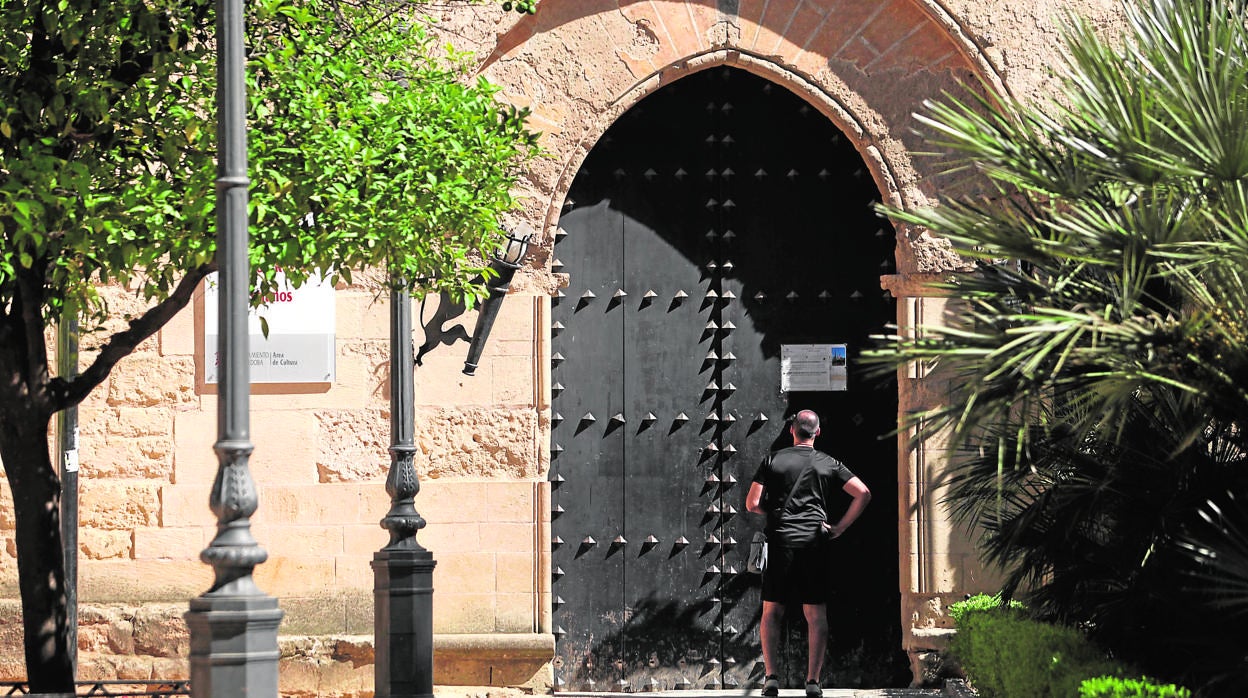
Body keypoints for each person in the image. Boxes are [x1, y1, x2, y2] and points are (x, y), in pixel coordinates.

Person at [744, 409, 872, 698]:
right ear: (817, 433)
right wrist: (839, 527)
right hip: (815, 543)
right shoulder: (828, 462)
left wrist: (774, 513)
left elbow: (751, 504)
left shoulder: (773, 460)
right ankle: (813, 681)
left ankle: (771, 678)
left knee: (772, 611)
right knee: (815, 614)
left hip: (781, 542)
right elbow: (863, 493)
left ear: (792, 430)